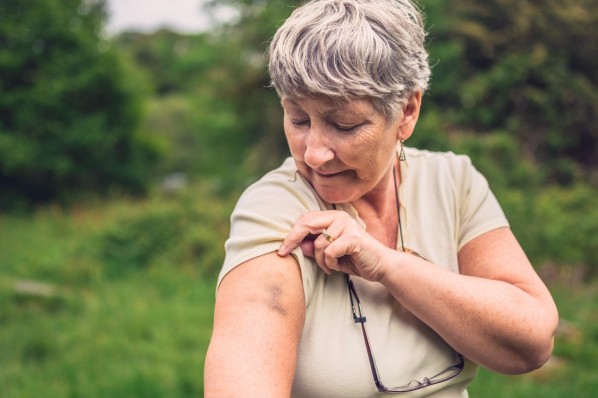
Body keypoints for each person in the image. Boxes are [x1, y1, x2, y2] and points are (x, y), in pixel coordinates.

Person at [204, 0, 559, 396]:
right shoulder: (274, 212)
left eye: (344, 124)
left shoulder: (452, 180)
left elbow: (532, 343)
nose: (313, 152)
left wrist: (388, 266)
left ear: (407, 111)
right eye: (298, 118)